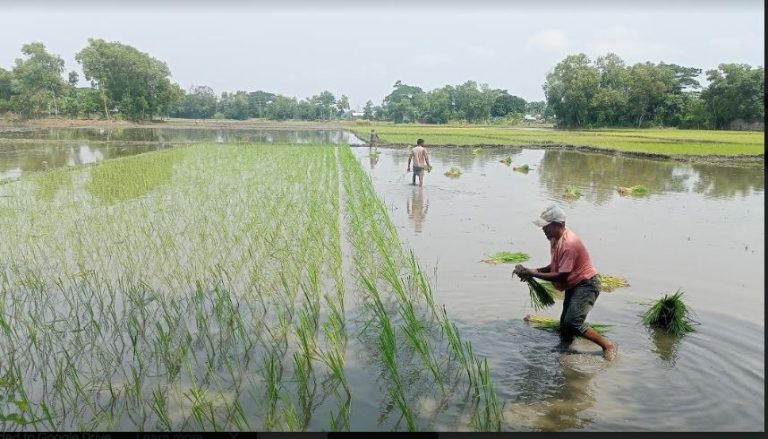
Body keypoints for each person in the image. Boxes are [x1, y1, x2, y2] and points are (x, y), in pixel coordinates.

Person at [513, 205, 618, 361]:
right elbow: (554, 267)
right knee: (564, 324)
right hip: (574, 283)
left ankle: (608, 345)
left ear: (558, 225)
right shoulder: (555, 239)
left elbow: (561, 276)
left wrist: (531, 273)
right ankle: (565, 351)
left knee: (574, 322)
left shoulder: (569, 245)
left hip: (586, 284)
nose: (543, 230)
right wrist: (531, 271)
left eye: (546, 226)